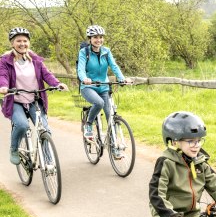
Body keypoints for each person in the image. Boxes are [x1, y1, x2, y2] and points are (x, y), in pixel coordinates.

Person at [0, 27, 68, 165]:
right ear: (12, 43)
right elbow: (3, 75)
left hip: (34, 99)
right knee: (22, 125)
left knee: (45, 130)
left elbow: (46, 74)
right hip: (16, 100)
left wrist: (57, 83)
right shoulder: (5, 60)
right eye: (18, 41)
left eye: (25, 41)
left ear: (28, 42)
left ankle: (48, 161)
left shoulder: (35, 59)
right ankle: (14, 149)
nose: (22, 43)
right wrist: (4, 87)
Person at [77, 25, 131, 141]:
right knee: (99, 103)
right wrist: (84, 78)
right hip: (88, 87)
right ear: (90, 39)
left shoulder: (106, 51)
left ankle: (114, 145)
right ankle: (88, 124)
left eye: (101, 37)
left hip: (104, 87)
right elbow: (80, 69)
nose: (99, 40)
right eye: (95, 37)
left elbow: (114, 66)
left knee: (110, 114)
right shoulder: (84, 52)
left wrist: (122, 78)